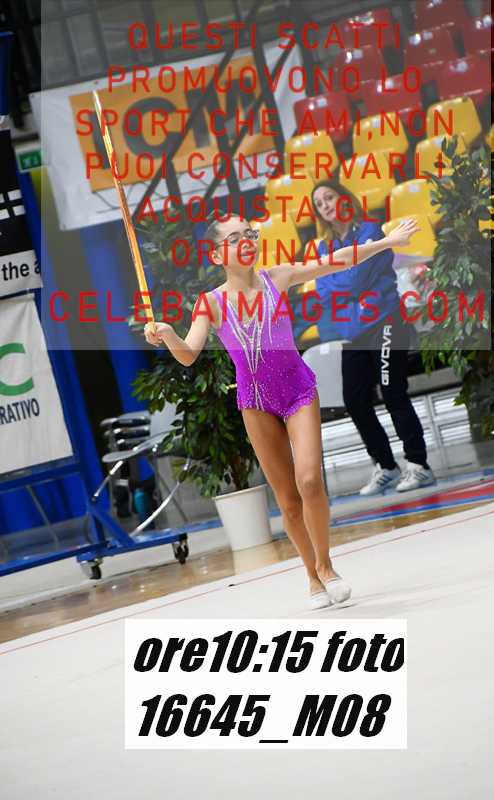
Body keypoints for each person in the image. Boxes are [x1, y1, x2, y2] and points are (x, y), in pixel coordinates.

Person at [144, 212, 419, 609]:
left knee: (309, 481)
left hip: (298, 391)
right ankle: (311, 575)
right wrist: (169, 333)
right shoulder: (210, 303)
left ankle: (326, 566)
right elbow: (188, 355)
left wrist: (387, 243)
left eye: (249, 234)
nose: (247, 241)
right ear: (217, 254)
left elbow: (339, 259)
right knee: (288, 500)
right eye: (235, 238)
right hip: (256, 403)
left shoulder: (278, 277)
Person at [311, 179, 436, 495]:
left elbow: (352, 282)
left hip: (385, 322)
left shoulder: (370, 231)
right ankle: (386, 466)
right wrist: (345, 277)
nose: (326, 205)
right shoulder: (323, 249)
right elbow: (323, 290)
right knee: (355, 401)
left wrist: (339, 278)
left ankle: (419, 465)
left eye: (329, 197)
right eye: (319, 203)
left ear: (343, 199)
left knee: (393, 391)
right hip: (353, 332)